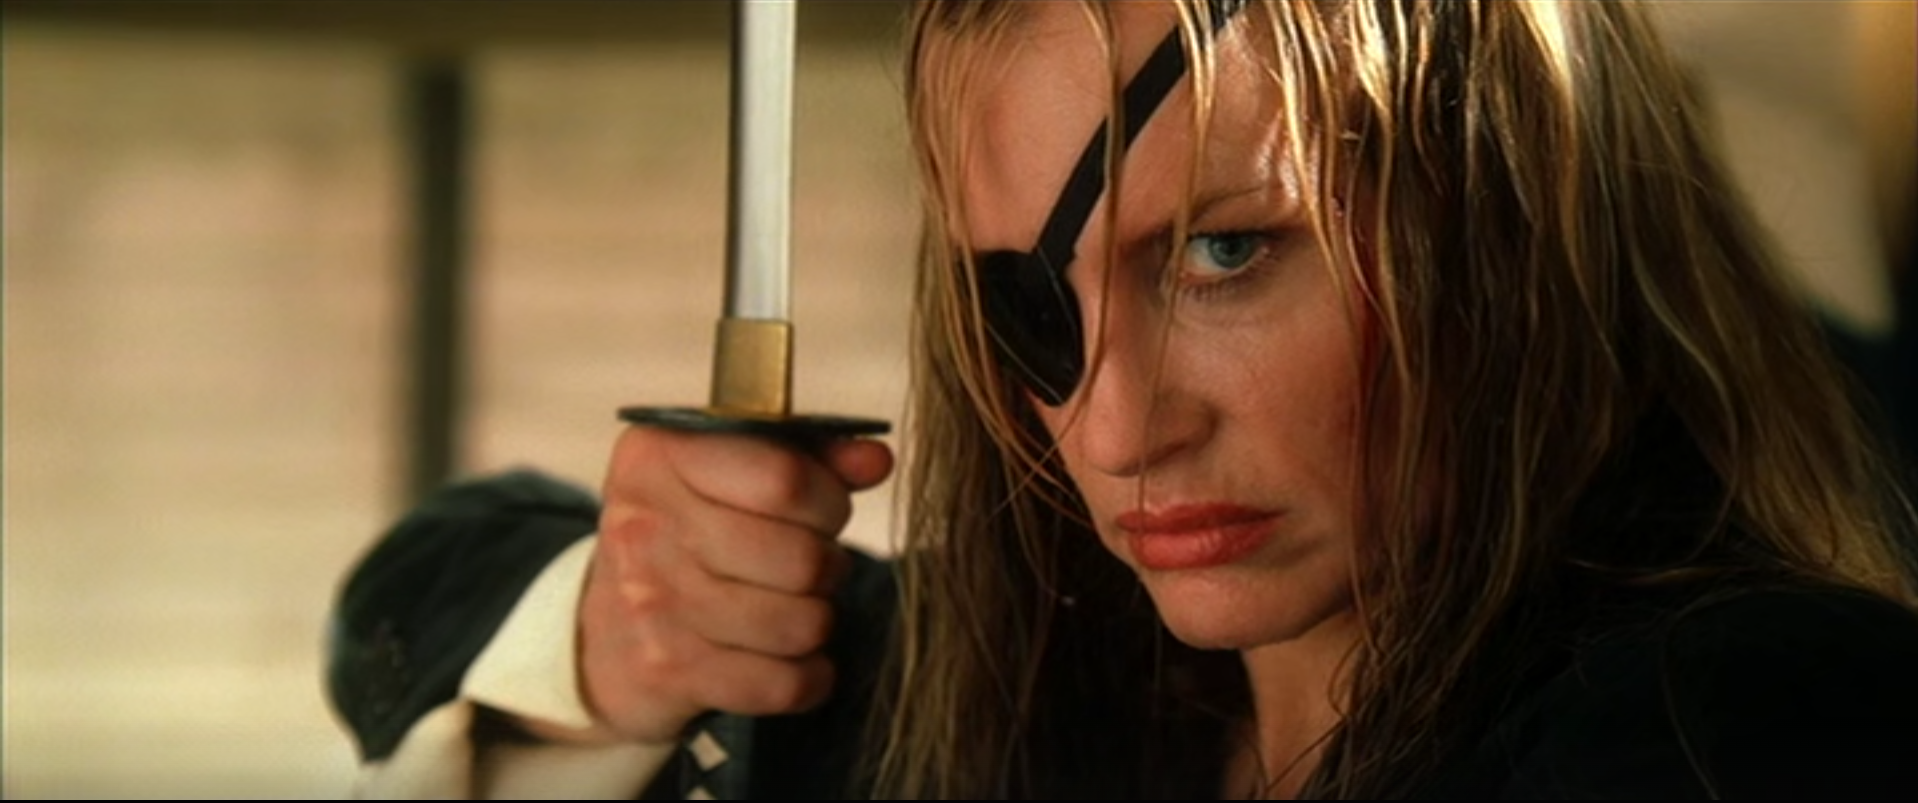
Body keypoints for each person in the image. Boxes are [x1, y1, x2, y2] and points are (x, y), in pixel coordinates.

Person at [327, 0, 1918, 798]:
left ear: (1517, 228)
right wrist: (624, 634)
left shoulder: (1752, 716)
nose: (1111, 429)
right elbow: (421, 583)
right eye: (1030, 302)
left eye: (1225, 250)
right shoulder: (990, 695)